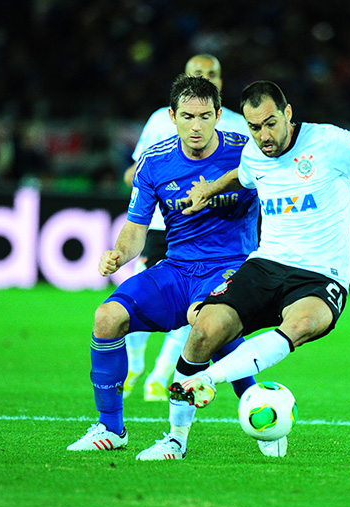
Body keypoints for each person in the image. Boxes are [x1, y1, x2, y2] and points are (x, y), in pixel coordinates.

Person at [161, 80, 350, 458]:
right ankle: (175, 440)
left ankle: (206, 380)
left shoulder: (330, 142)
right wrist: (210, 189)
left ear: (287, 113)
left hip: (321, 274)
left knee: (300, 324)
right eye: (254, 127)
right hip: (266, 264)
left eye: (270, 123)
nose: (263, 136)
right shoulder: (254, 154)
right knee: (203, 331)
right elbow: (243, 174)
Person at [67, 75, 259, 457]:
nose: (197, 126)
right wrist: (119, 254)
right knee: (107, 317)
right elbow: (136, 228)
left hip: (231, 267)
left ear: (219, 115)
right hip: (176, 268)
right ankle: (111, 429)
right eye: (188, 116)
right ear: (172, 116)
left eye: (205, 116)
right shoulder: (154, 161)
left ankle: (180, 437)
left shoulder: (248, 153)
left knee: (204, 326)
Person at [121, 53, 251, 402]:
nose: (206, 78)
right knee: (137, 299)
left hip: (216, 235)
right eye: (199, 73)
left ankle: (161, 375)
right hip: (164, 226)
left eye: (213, 74)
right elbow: (133, 173)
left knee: (201, 310)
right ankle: (135, 364)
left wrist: (216, 190)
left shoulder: (239, 127)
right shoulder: (160, 123)